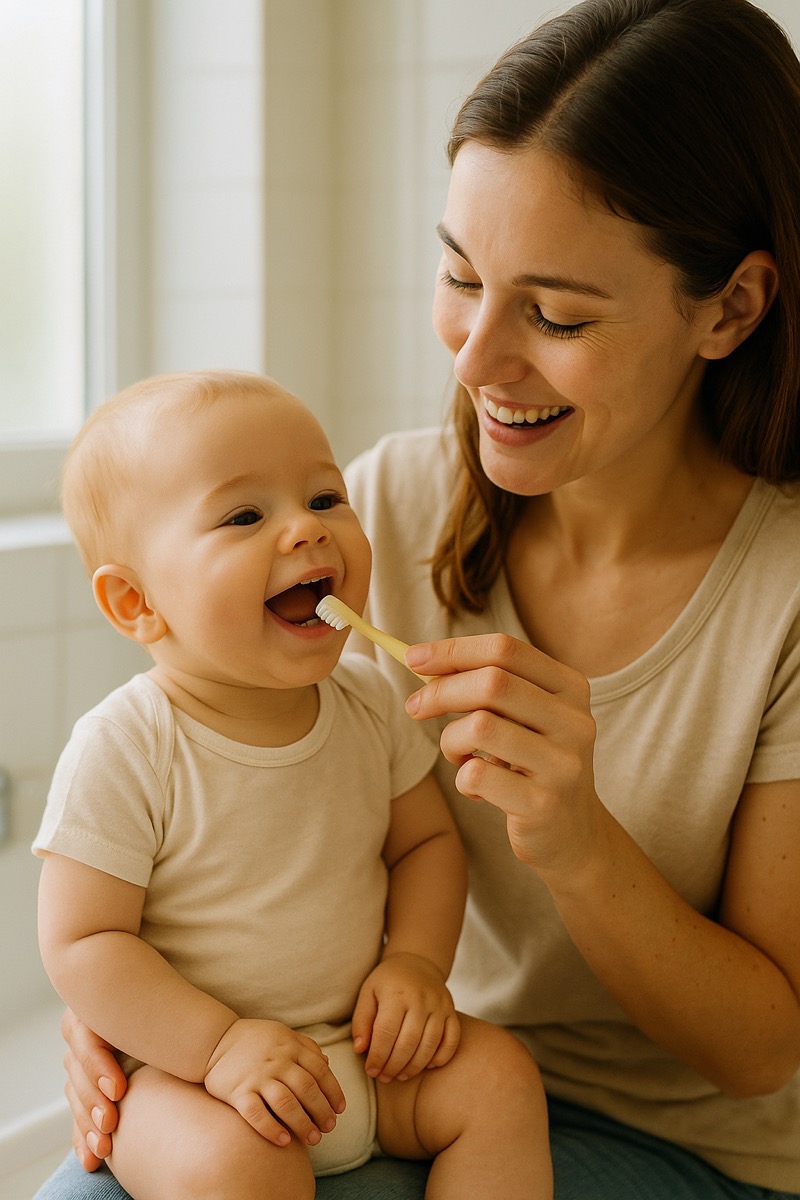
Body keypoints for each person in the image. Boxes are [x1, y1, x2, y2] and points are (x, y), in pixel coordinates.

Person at [34, 0, 800, 1196]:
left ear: (729, 309)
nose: (472, 358)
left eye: (553, 315)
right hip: (379, 1054)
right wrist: (158, 1018)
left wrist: (577, 843)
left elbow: (761, 1052)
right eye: (457, 275)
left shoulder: (783, 594)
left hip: (673, 1140)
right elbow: (187, 803)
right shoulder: (377, 511)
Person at [33, 370, 551, 1200]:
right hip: (191, 1083)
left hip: (361, 1050)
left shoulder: (370, 699)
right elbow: (82, 943)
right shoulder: (126, 746)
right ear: (136, 603)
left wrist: (417, 965)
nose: (306, 532)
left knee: (498, 1079)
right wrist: (216, 1047)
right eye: (246, 515)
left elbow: (424, 844)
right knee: (239, 1169)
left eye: (324, 497)